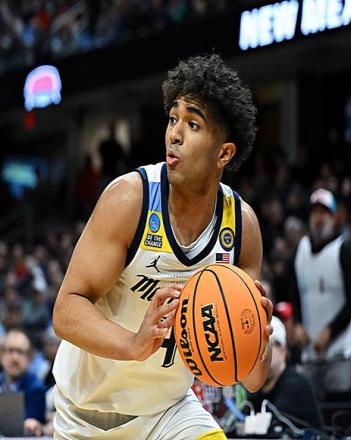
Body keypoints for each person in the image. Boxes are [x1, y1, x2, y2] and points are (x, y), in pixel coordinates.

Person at [52, 53, 273, 440]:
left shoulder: (241, 226)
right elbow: (66, 310)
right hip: (86, 417)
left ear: (224, 153)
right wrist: (134, 343)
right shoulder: (129, 199)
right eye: (173, 119)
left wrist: (256, 336)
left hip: (169, 414)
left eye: (193, 124)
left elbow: (252, 379)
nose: (174, 134)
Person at [289, 188, 351, 393]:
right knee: (309, 408)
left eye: (324, 212)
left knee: (339, 408)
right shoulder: (301, 250)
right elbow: (295, 291)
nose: (319, 218)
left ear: (334, 217)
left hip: (340, 353)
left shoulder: (344, 251)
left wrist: (330, 331)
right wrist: (298, 323)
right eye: (315, 212)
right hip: (310, 353)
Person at [248, 317, 322, 429]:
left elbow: (274, 425)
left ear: (282, 352)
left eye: (264, 347)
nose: (259, 354)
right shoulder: (257, 390)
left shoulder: (296, 384)